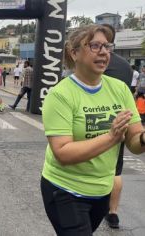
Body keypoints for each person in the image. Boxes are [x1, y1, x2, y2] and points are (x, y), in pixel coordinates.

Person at [41, 24, 145, 235]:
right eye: (95, 45)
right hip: (65, 190)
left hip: (102, 191)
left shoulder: (120, 89)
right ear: (74, 52)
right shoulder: (60, 95)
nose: (104, 52)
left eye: (107, 46)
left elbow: (134, 141)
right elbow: (62, 152)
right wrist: (111, 137)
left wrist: (143, 139)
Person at [101, 23, 133, 229]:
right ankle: (113, 213)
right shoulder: (126, 66)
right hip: (121, 121)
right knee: (116, 170)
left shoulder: (94, 61)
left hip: (95, 121)